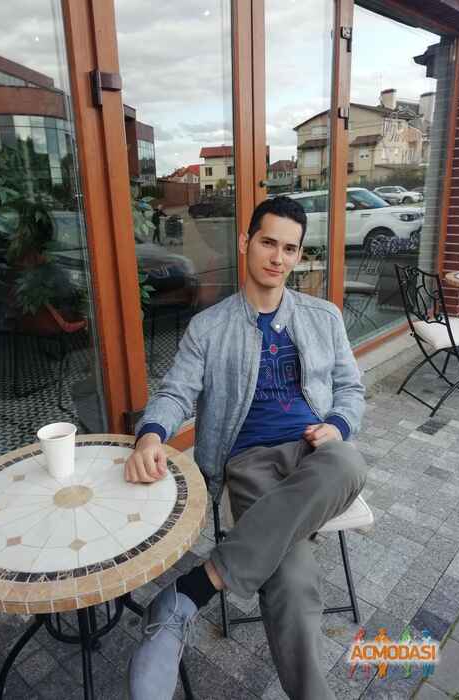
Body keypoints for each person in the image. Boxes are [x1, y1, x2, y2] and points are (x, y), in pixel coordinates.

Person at [126, 196, 367, 700]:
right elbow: (175, 393)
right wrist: (151, 434)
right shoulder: (208, 327)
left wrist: (338, 425)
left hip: (316, 454)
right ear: (245, 242)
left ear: (298, 255)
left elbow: (351, 388)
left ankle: (193, 589)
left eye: (290, 249)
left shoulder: (324, 317)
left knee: (348, 460)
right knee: (293, 586)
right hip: (251, 463)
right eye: (268, 243)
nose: (278, 258)